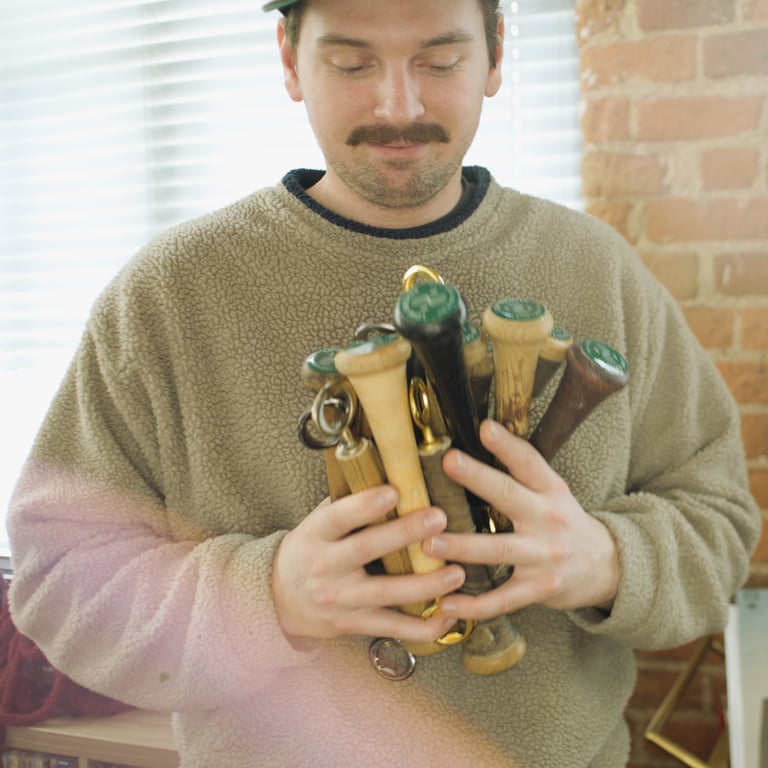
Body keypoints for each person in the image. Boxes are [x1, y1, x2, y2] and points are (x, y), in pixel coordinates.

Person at [6, 0, 761, 766]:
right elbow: (57, 582)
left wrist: (606, 560)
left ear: (496, 55)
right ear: (289, 59)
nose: (398, 105)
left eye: (440, 61)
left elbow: (720, 522)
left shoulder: (599, 270)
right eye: (351, 62)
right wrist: (269, 597)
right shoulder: (166, 297)